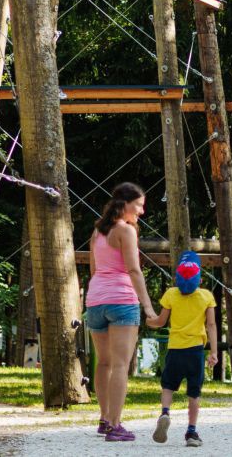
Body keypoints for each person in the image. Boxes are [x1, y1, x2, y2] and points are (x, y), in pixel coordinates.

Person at [85, 182, 158, 442]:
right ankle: (115, 426)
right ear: (125, 204)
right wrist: (148, 306)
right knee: (119, 365)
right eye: (138, 205)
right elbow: (134, 270)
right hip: (121, 301)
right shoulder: (125, 231)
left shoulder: (98, 231)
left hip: (95, 300)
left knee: (103, 363)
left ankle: (105, 419)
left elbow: (94, 270)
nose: (141, 211)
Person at [145, 251, 217, 447]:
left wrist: (148, 321)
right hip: (195, 351)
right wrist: (214, 352)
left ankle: (165, 413)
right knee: (194, 393)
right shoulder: (207, 297)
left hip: (175, 349)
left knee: (168, 385)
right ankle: (191, 433)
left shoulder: (171, 294)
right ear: (200, 279)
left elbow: (160, 322)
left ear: (176, 278)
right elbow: (211, 325)